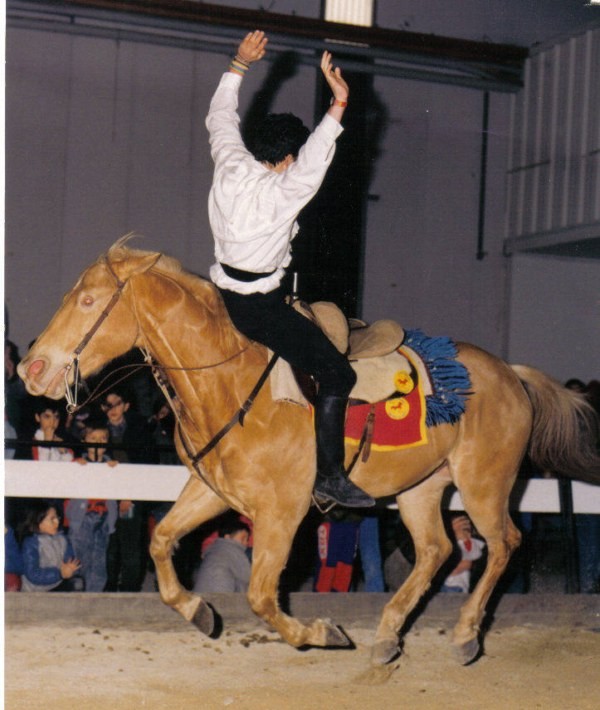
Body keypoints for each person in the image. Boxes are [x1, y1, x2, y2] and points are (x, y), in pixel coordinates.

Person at [206, 30, 374, 509]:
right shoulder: (283, 192)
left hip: (219, 290)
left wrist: (239, 63)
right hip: (258, 309)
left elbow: (220, 117)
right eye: (293, 160)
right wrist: (339, 103)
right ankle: (330, 476)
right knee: (338, 375)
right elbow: (316, 158)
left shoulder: (230, 162)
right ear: (285, 160)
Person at [101, 387, 155, 592]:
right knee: (110, 543)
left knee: (130, 543)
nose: (112, 409)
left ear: (126, 406)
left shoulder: (139, 430)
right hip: (105, 497)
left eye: (117, 404)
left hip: (131, 497)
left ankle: (129, 590)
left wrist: (129, 495)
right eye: (108, 405)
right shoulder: (96, 430)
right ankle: (108, 586)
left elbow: (146, 464)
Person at [65, 421, 118, 592]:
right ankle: (78, 595)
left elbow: (119, 487)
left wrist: (114, 471)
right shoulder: (79, 464)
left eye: (103, 438)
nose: (98, 442)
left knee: (99, 562)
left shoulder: (111, 465)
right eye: (93, 438)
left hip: (103, 520)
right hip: (83, 520)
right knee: (81, 560)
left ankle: (94, 597)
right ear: (84, 441)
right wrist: (76, 467)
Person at [19, 501, 83, 592]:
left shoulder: (63, 539)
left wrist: (71, 568)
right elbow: (32, 573)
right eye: (52, 519)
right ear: (38, 521)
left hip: (56, 585)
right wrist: (59, 574)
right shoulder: (31, 543)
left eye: (57, 517)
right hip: (34, 589)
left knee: (78, 583)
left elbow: (71, 560)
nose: (57, 522)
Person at [193, 518, 252, 593]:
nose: (246, 543)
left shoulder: (215, 549)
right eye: (243, 539)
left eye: (247, 540)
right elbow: (248, 577)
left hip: (201, 597)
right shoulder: (232, 551)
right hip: (221, 598)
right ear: (227, 537)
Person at [441, 514, 486, 593]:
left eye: (466, 529)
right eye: (456, 528)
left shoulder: (470, 543)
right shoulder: (445, 542)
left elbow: (469, 560)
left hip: (455, 586)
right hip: (441, 585)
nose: (460, 532)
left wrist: (464, 540)